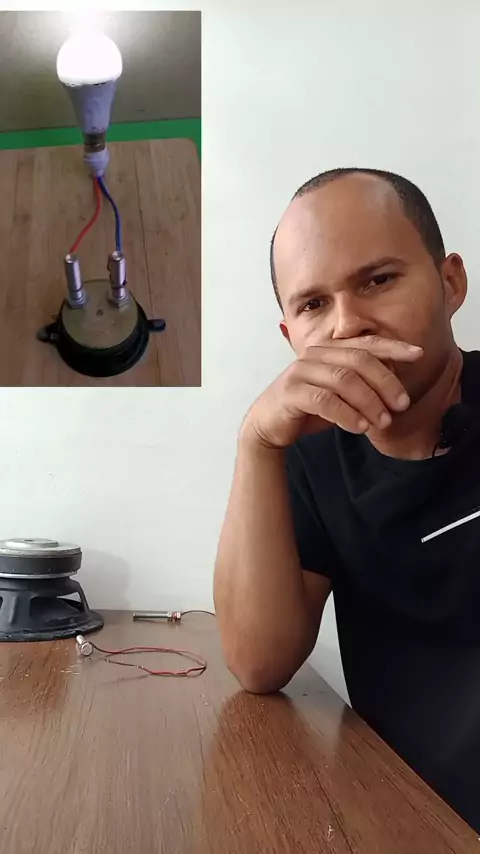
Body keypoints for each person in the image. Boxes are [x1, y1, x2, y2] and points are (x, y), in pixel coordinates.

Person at [213, 167, 480, 831]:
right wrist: (256, 443)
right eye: (313, 305)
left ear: (450, 283)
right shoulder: (310, 462)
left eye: (378, 280)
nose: (348, 325)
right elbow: (259, 663)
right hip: (404, 819)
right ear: (290, 337)